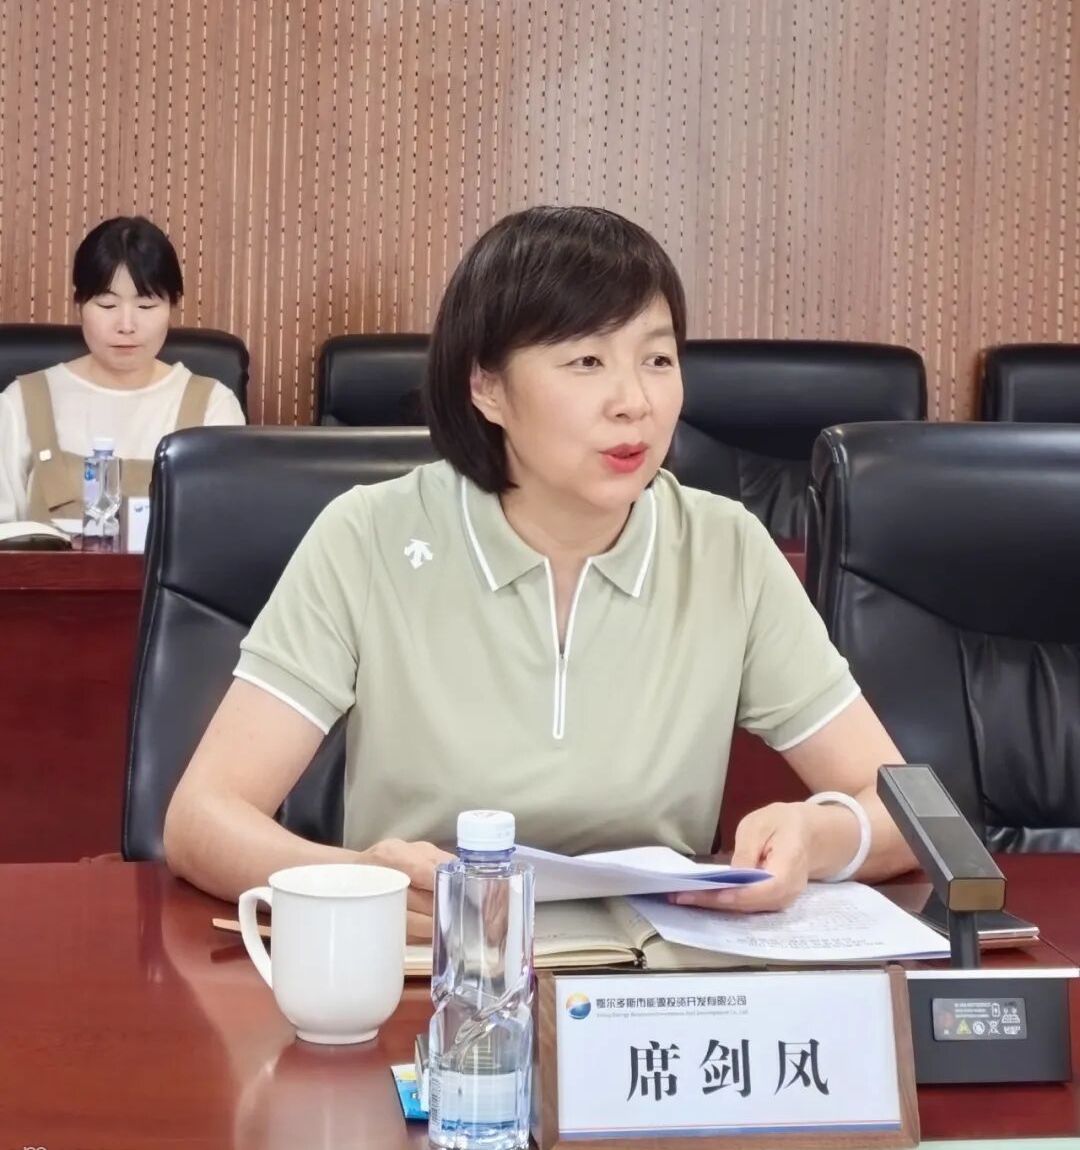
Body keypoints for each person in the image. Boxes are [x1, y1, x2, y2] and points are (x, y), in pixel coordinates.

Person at [164, 205, 916, 940]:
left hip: (653, 982)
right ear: (487, 386)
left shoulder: (727, 551)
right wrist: (360, 883)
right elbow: (203, 818)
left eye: (657, 359)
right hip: (430, 970)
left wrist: (818, 834)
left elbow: (908, 813)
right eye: (587, 361)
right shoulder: (369, 536)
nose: (635, 403)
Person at [0, 216, 245, 524]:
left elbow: (227, 529)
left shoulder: (213, 407)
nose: (126, 326)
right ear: (79, 304)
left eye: (146, 306)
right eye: (107, 305)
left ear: (172, 306)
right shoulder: (21, 403)